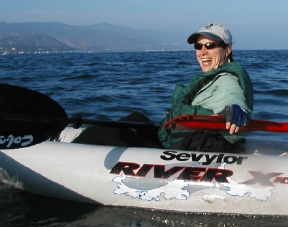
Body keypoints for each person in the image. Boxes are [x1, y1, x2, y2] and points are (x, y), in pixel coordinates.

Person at [158, 22, 254, 153]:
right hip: (175, 138)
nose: (202, 52)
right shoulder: (211, 79)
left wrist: (235, 107)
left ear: (227, 50)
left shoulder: (227, 79)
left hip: (191, 145)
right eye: (198, 46)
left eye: (210, 45)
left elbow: (232, 95)